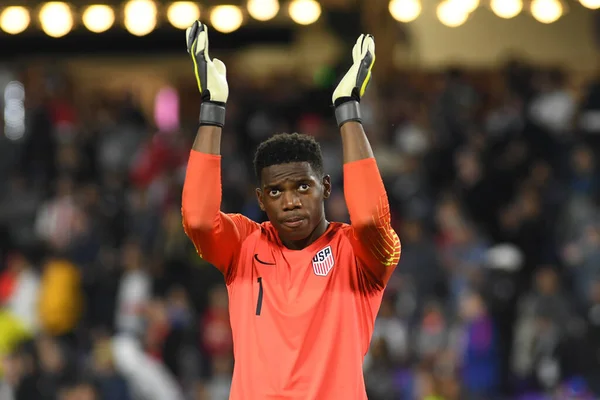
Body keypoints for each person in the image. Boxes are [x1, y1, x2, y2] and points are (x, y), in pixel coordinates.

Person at [182, 21, 401, 400]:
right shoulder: (245, 246)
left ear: (326, 188)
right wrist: (213, 108)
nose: (291, 201)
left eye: (303, 186)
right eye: (276, 191)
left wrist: (347, 109)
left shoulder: (357, 253)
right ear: (261, 199)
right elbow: (199, 220)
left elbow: (369, 217)